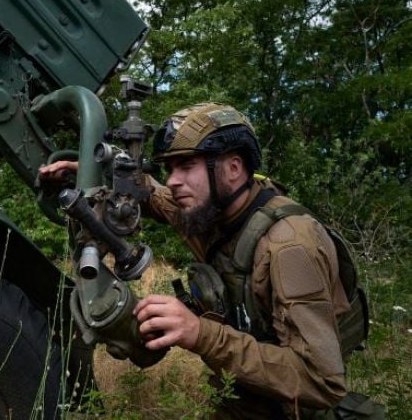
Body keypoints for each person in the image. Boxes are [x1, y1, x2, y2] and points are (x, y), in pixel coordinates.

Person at [39, 102, 355, 419]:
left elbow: (321, 382)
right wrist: (89, 173)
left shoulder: (289, 246)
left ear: (233, 168)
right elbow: (149, 194)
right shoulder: (210, 211)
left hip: (297, 410)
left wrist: (199, 333)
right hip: (242, 395)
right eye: (171, 168)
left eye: (186, 166)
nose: (173, 181)